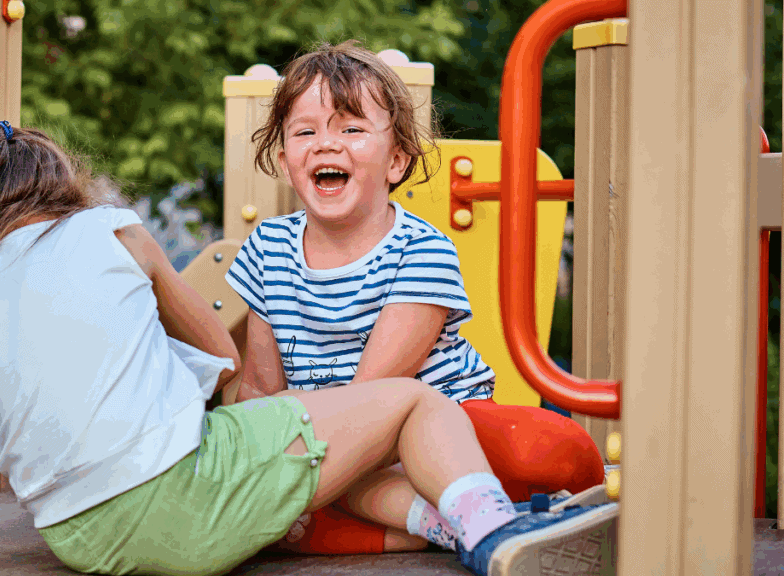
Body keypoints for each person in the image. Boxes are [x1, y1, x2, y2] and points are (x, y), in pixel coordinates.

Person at [0, 122, 615, 576]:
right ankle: (495, 535)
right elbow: (217, 348)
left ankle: (441, 524)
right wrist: (252, 417)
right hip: (182, 502)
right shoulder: (110, 229)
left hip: (80, 542)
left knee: (309, 467)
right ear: (63, 186)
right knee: (415, 402)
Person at [224, 41, 606, 556]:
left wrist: (299, 465)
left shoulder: (420, 249)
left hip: (437, 430)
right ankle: (460, 526)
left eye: (351, 129)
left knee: (543, 451)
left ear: (397, 161)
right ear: (284, 158)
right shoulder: (268, 249)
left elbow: (376, 393)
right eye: (305, 131)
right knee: (263, 484)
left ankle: (399, 515)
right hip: (338, 446)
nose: (325, 144)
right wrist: (260, 455)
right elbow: (259, 389)